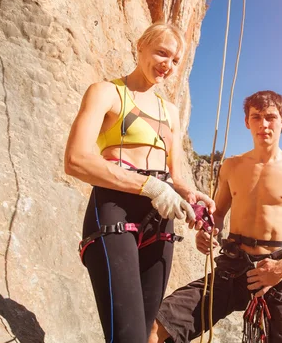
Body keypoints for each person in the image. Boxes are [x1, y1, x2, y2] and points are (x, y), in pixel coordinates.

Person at [64, 22, 215, 343]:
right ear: (140, 46)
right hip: (114, 210)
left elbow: (179, 173)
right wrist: (149, 187)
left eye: (176, 60)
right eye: (161, 52)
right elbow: (76, 159)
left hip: (160, 222)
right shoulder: (106, 92)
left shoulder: (170, 112)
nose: (168, 64)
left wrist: (193, 200)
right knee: (128, 337)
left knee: (146, 335)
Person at [150, 90, 282, 343]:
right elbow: (219, 214)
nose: (263, 124)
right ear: (247, 122)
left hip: (277, 268)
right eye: (256, 117)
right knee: (158, 326)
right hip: (233, 266)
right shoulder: (232, 167)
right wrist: (207, 233)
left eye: (270, 117)